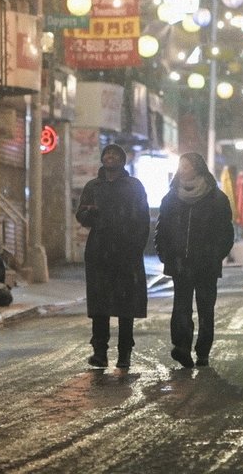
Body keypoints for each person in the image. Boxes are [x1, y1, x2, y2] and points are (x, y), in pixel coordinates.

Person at [155, 153, 234, 368]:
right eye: (181, 166)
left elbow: (226, 233)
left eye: (187, 166)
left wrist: (215, 255)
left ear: (198, 168)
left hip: (207, 264)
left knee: (205, 309)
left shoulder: (216, 199)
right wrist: (166, 255)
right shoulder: (171, 198)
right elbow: (162, 230)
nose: (183, 169)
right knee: (181, 308)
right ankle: (181, 348)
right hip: (180, 264)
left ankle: (203, 352)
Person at [75, 144, 150, 369]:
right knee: (100, 305)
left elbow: (143, 219)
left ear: (122, 160)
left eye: (115, 154)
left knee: (125, 306)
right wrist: (88, 213)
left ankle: (124, 353)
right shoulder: (93, 186)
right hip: (99, 253)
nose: (110, 157)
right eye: (107, 154)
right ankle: (100, 351)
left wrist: (135, 248)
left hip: (126, 253)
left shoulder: (134, 186)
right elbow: (82, 215)